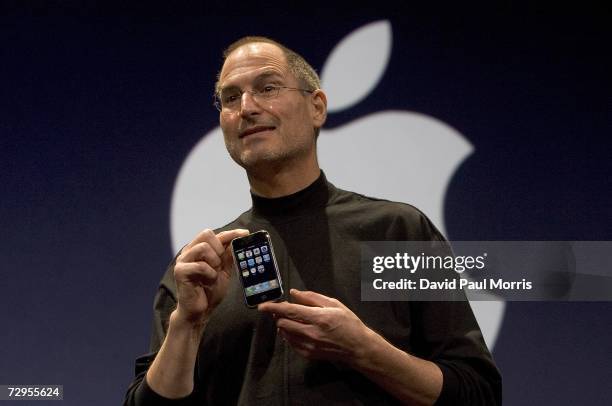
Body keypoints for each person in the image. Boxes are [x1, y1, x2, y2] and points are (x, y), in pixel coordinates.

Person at [124, 36, 502, 405]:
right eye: (230, 97)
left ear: (317, 107)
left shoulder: (395, 232)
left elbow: (477, 393)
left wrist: (365, 350)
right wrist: (187, 325)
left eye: (268, 87)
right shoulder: (201, 269)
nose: (247, 107)